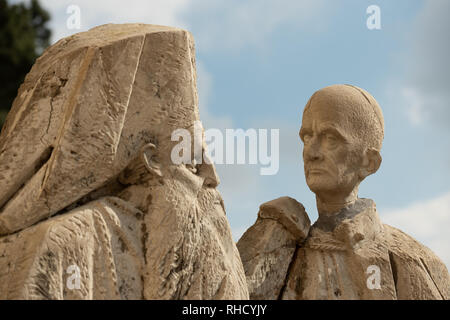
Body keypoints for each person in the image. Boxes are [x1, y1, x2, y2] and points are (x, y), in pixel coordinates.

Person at [237, 84, 449, 299]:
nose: (311, 152)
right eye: (307, 137)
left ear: (370, 162)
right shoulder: (280, 244)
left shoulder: (412, 260)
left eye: (330, 139)